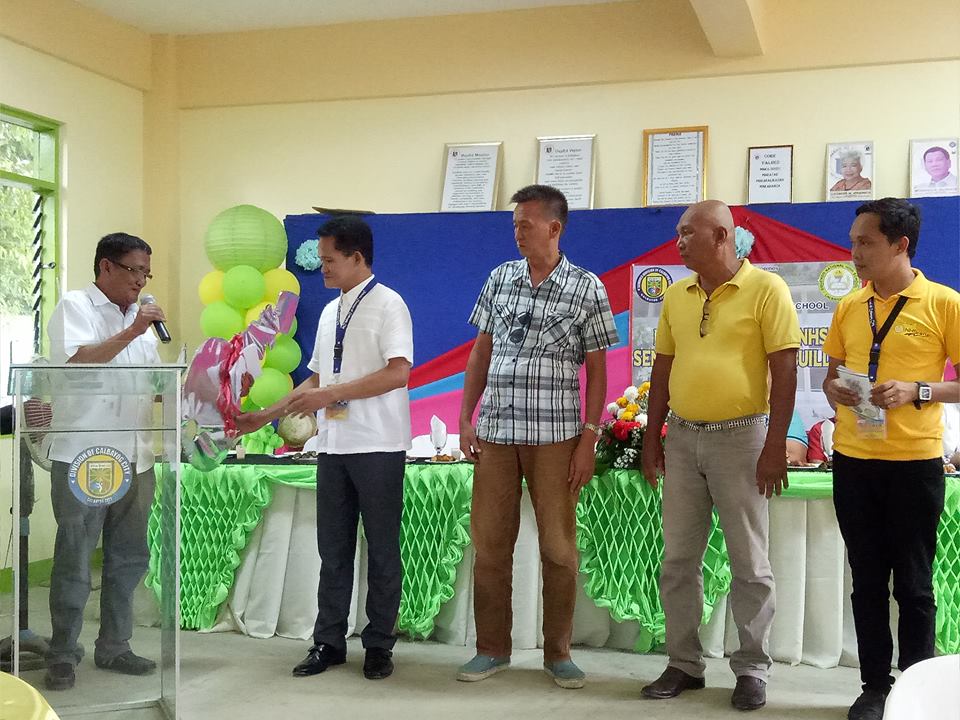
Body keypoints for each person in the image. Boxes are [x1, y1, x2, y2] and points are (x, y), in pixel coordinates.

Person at [236, 216, 413, 681]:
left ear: (357, 257)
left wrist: (332, 394)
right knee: (332, 551)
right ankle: (328, 642)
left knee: (382, 550)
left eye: (330, 260)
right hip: (333, 446)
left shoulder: (389, 304)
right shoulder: (331, 310)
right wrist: (264, 415)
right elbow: (316, 379)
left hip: (378, 445)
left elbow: (398, 372)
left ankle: (379, 645)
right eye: (321, 260)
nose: (323, 268)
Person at [640, 200, 801, 712]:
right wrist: (651, 438)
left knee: (749, 562)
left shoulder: (767, 289)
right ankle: (683, 664)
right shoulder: (676, 294)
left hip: (743, 439)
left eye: (689, 233)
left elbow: (786, 371)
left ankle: (752, 668)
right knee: (678, 560)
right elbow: (662, 369)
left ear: (721, 236)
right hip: (682, 437)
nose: (679, 242)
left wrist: (775, 445)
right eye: (678, 233)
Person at [456, 184, 618, 690]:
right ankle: (491, 649)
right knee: (490, 546)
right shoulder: (499, 278)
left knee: (559, 548)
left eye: (526, 225)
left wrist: (589, 437)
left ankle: (558, 653)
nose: (518, 233)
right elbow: (481, 351)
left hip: (557, 437)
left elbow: (597, 370)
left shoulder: (587, 287)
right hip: (496, 433)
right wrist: (465, 417)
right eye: (515, 226)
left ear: (555, 227)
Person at [822, 197, 960, 720]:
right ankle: (874, 687)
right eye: (853, 242)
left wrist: (917, 390)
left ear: (901, 245)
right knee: (866, 580)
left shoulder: (944, 303)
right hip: (853, 461)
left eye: (866, 242)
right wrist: (837, 390)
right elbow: (830, 377)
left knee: (914, 584)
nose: (854, 252)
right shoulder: (849, 306)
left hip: (914, 464)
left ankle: (917, 691)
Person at [43, 233, 167, 691]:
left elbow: (152, 384)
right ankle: (62, 652)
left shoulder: (139, 320)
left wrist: (196, 384)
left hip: (136, 456)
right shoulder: (75, 306)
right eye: (134, 270)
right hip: (85, 456)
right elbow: (78, 362)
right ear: (106, 266)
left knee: (129, 557)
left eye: (146, 273)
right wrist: (133, 331)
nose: (141, 282)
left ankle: (115, 645)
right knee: (76, 558)